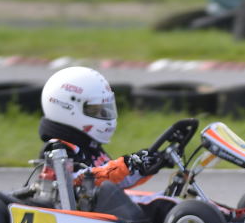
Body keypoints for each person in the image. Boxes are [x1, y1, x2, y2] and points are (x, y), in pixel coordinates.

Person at [38, 65, 165, 197]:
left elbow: (114, 182)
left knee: (166, 201)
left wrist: (148, 165)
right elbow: (78, 180)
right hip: (82, 213)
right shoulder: (57, 149)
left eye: (103, 109)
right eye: (94, 110)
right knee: (163, 207)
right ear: (67, 108)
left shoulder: (88, 145)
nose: (102, 114)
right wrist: (128, 165)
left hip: (103, 206)